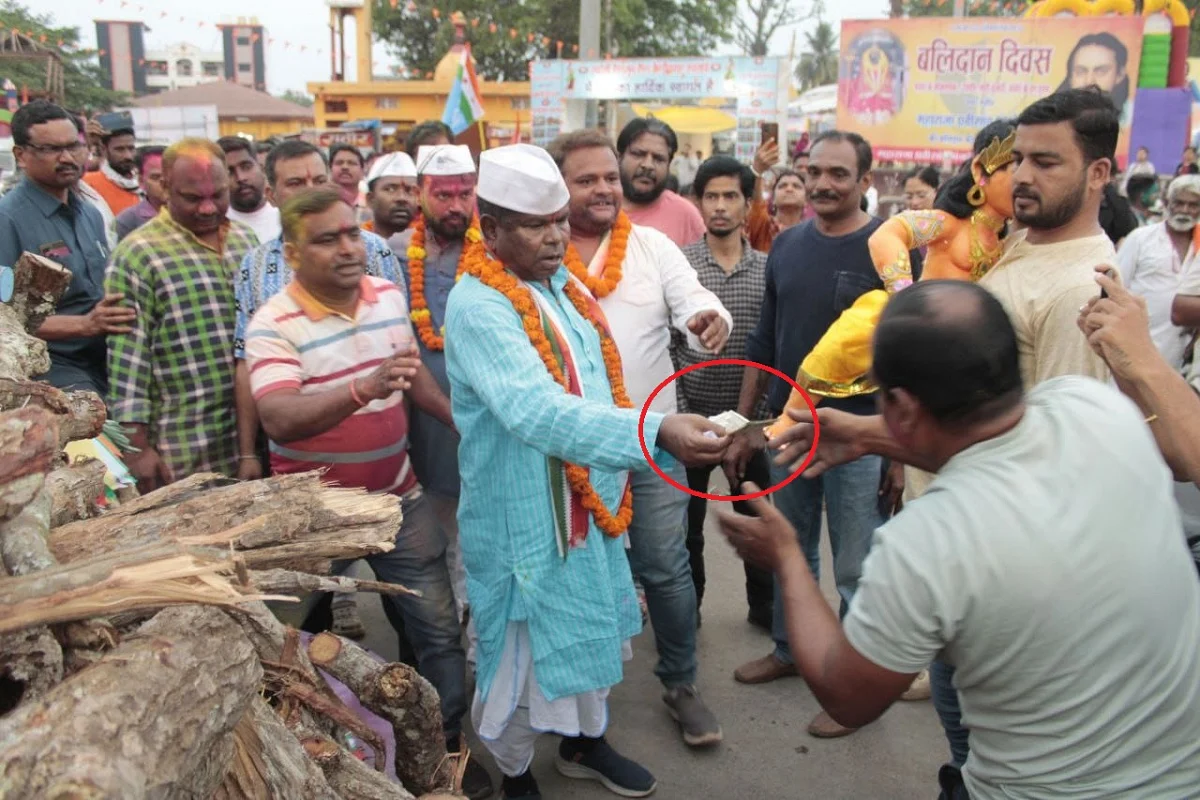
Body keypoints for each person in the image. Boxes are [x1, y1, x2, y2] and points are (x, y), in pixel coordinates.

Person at [727, 280, 1200, 800]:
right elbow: (994, 448)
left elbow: (848, 697)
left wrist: (789, 558)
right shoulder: (1095, 408)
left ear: (902, 406)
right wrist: (868, 435)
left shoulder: (926, 544)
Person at [444, 142, 731, 800]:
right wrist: (657, 431)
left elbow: (602, 380)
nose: (555, 235)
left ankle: (585, 742)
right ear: (491, 231)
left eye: (557, 220)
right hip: (523, 520)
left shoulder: (563, 281)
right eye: (537, 225)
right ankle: (514, 775)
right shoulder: (479, 304)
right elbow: (536, 411)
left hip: (593, 504)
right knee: (521, 655)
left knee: (592, 630)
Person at [244, 186, 492, 800]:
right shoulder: (272, 323)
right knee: (285, 642)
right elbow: (278, 417)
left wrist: (461, 418)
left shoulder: (385, 296)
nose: (349, 247)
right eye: (328, 239)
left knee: (437, 635)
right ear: (294, 252)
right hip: (313, 517)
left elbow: (409, 380)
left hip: (396, 502)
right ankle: (306, 761)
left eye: (352, 233)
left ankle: (443, 755)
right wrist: (362, 387)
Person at [547, 129, 732, 748]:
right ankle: (579, 705)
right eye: (586, 179)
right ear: (557, 188)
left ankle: (681, 685)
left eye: (608, 178)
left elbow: (696, 299)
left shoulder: (650, 246)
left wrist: (710, 319)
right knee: (578, 573)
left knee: (665, 566)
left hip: (656, 441)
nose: (603, 189)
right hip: (575, 443)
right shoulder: (539, 254)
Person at [723, 129, 893, 739]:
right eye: (813, 171)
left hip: (860, 437)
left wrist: (896, 448)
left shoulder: (889, 249)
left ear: (865, 182)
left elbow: (907, 353)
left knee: (855, 565)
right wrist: (749, 422)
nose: (823, 183)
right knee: (791, 546)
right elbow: (765, 341)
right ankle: (792, 653)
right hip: (788, 430)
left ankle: (854, 687)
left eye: (838, 174)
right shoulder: (788, 246)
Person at [106, 138, 258, 493]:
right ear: (165, 187)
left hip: (249, 441)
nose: (208, 209)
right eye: (193, 198)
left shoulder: (247, 241)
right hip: (181, 446)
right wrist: (137, 448)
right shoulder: (137, 256)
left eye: (218, 195)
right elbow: (128, 362)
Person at [677, 155, 774, 631]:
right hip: (691, 421)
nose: (719, 206)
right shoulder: (680, 268)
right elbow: (669, 348)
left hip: (749, 425)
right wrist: (677, 418)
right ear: (699, 202)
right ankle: (686, 615)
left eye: (730, 196)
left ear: (747, 203)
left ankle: (765, 610)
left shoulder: (767, 269)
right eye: (710, 196)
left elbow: (771, 349)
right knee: (686, 529)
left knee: (756, 521)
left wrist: (750, 426)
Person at [391, 143, 481, 624]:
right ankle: (437, 632)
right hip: (419, 425)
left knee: (479, 539)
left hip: (481, 418)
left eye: (465, 193)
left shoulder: (493, 251)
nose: (456, 206)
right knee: (429, 537)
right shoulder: (391, 253)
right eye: (443, 194)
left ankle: (472, 636)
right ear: (418, 192)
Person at [0, 100, 131, 394]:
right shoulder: (7, 220)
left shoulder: (90, 213)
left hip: (107, 356)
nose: (67, 158)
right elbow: (2, 315)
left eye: (74, 146)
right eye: (50, 149)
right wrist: (84, 325)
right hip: (52, 366)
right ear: (21, 155)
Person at [1115, 173, 1200, 369]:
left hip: (1180, 361)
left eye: (1193, 205)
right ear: (1166, 203)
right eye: (1178, 203)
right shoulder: (1140, 239)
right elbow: (1115, 288)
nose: (1184, 210)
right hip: (1133, 351)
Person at [616, 118, 705, 247]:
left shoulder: (685, 215)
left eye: (658, 158)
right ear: (619, 157)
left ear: (669, 165)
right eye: (638, 154)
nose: (647, 165)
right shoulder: (598, 208)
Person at [746, 137, 809, 252]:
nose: (789, 189)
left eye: (796, 186)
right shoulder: (763, 226)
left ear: (806, 200)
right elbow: (757, 203)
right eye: (782, 186)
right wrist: (758, 171)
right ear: (773, 199)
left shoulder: (812, 233)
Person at [218, 135, 280, 243]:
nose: (241, 178)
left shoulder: (285, 219)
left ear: (261, 169)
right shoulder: (216, 228)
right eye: (229, 172)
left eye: (246, 167)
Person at [1057, 32, 1130, 116]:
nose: (1089, 81)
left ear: (1120, 75)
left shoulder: (1133, 115)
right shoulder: (1052, 119)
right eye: (1081, 72)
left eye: (1101, 71)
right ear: (1070, 78)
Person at [82, 123, 140, 217]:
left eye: (131, 148)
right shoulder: (88, 183)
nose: (127, 156)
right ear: (104, 149)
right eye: (119, 150)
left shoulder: (144, 182)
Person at [363, 150, 419, 247]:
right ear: (370, 199)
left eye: (409, 190)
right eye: (390, 189)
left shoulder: (433, 248)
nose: (401, 198)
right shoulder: (357, 246)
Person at [115, 146, 167, 242]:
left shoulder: (192, 215)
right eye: (156, 177)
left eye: (170, 175)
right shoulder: (127, 221)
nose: (165, 183)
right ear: (141, 181)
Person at [329, 142, 369, 222]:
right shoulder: (322, 205)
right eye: (339, 163)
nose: (345, 167)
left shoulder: (371, 204)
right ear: (330, 169)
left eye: (351, 163)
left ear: (362, 170)